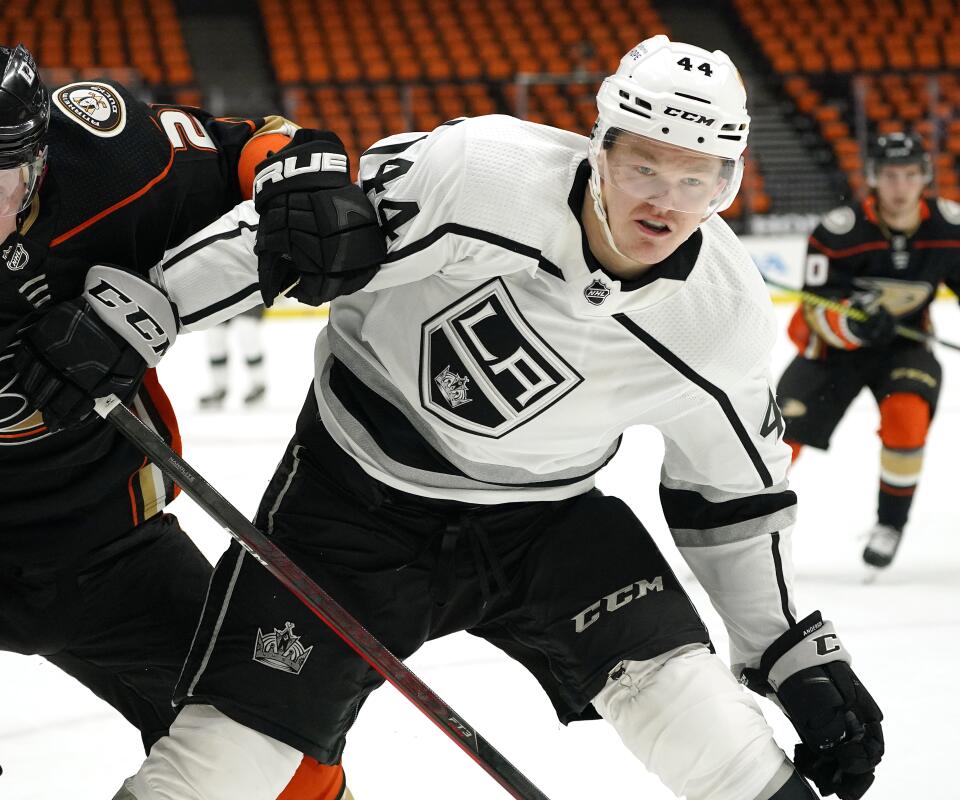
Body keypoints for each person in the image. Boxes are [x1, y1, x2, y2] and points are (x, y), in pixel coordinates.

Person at [90, 36, 885, 800]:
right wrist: (141, 314)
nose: (664, 201)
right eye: (643, 165)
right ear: (599, 147)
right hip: (350, 508)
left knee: (719, 739)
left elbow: (733, 494)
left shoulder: (721, 316)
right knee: (222, 765)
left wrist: (785, 649)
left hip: (545, 527)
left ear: (728, 185)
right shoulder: (481, 172)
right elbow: (304, 228)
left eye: (696, 179)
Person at [0, 33, 381, 800]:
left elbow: (250, 148)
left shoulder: (107, 150)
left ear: (40, 169)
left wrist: (303, 184)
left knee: (286, 758)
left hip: (114, 547)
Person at [776, 131, 960, 570]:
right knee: (780, 440)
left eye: (911, 175)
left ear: (925, 178)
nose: (901, 186)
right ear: (874, 178)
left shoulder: (949, 229)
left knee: (908, 418)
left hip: (905, 347)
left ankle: (891, 524)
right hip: (832, 353)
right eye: (891, 175)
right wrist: (854, 323)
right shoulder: (839, 232)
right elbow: (815, 311)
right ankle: (735, 517)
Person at [198, 305, 269, 409]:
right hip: (219, 293)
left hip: (248, 292)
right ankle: (219, 388)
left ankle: (259, 385)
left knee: (247, 331)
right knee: (215, 335)